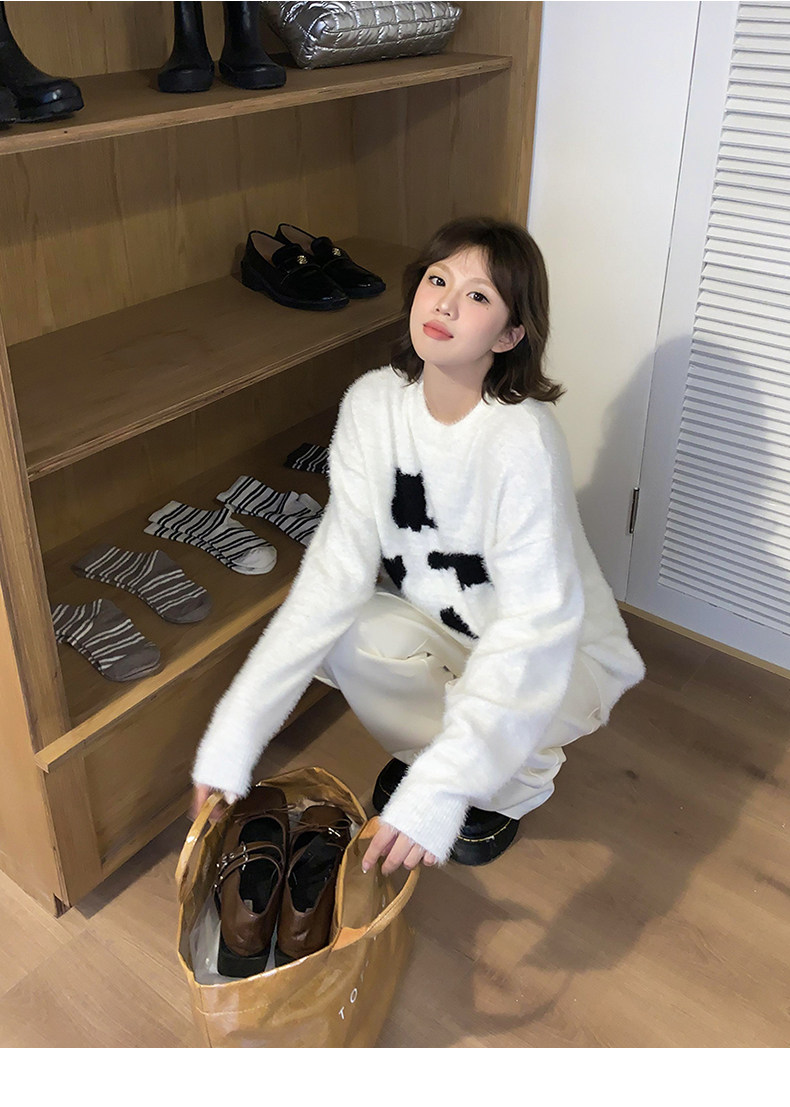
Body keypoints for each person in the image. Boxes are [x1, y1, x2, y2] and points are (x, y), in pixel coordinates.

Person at [190, 216, 646, 877]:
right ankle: (458, 748)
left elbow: (536, 629)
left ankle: (518, 780)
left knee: (472, 727)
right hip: (452, 625)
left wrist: (439, 790)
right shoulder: (373, 404)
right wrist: (233, 739)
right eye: (437, 280)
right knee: (349, 629)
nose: (446, 304)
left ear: (510, 335)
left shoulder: (521, 438)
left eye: (479, 295)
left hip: (559, 657)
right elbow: (330, 579)